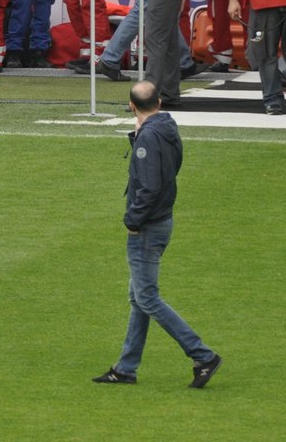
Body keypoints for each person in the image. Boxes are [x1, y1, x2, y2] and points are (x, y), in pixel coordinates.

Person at [91, 81, 221, 388]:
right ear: (160, 102)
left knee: (147, 297)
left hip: (148, 227)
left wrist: (132, 219)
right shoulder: (166, 127)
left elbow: (149, 187)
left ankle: (202, 355)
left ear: (132, 105)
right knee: (139, 298)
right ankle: (126, 368)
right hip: (162, 220)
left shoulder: (149, 137)